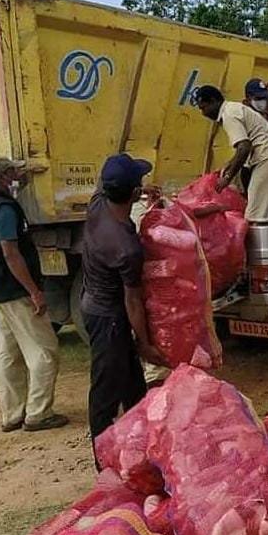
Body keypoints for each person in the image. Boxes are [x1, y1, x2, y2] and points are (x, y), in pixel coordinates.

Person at [0, 156, 67, 433]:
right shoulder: (5, 210)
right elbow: (11, 253)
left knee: (9, 353)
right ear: (3, 177)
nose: (16, 173)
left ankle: (12, 414)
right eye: (12, 170)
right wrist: (34, 291)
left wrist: (24, 175)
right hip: (15, 291)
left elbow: (14, 185)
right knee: (45, 351)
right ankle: (38, 413)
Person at [82, 154, 167, 449]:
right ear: (132, 193)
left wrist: (140, 191)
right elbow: (133, 300)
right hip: (110, 318)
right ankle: (102, 458)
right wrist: (144, 343)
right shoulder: (126, 247)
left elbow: (104, 184)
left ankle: (140, 448)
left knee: (134, 387)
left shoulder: (96, 207)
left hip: (94, 306)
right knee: (106, 391)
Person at [192, 84, 268, 220]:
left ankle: (259, 242)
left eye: (204, 107)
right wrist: (231, 163)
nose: (203, 113)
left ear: (213, 101)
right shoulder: (236, 108)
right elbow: (248, 143)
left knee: (255, 215)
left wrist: (227, 178)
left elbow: (244, 147)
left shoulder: (228, 114)